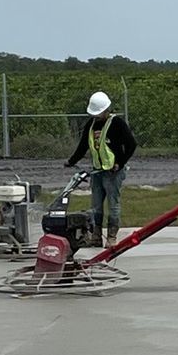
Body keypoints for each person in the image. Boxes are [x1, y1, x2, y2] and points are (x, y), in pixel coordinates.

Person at [65, 90, 137, 247]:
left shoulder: (117, 124)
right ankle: (96, 236)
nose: (96, 116)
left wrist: (120, 163)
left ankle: (111, 237)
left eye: (99, 113)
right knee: (96, 205)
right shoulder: (90, 126)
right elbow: (83, 146)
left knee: (113, 205)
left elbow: (131, 145)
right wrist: (72, 161)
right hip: (97, 172)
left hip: (113, 172)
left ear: (106, 109)